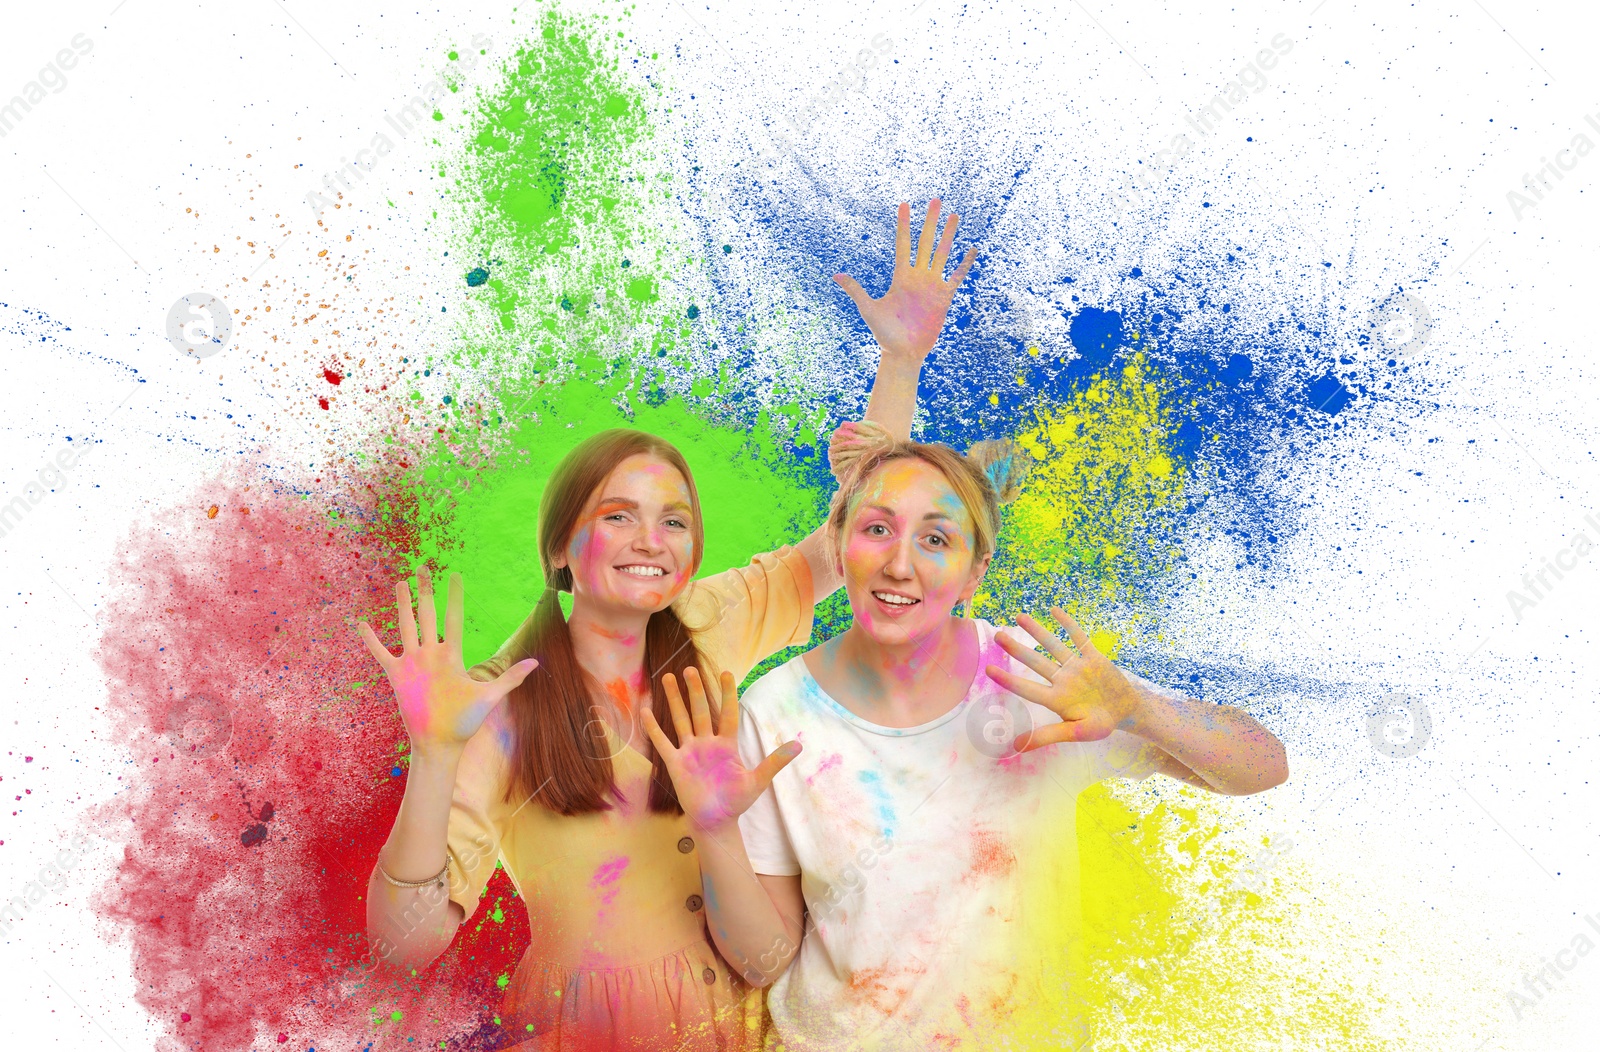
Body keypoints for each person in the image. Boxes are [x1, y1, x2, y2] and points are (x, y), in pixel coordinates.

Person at [356, 199, 978, 1050]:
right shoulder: (497, 708)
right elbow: (405, 945)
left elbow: (847, 543)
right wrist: (433, 758)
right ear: (561, 551)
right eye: (619, 516)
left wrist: (901, 360)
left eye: (675, 520)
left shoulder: (711, 621)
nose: (652, 540)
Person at [644, 423, 1291, 1050]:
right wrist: (715, 828)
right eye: (877, 529)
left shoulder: (1042, 685)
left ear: (974, 572)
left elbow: (1264, 764)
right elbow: (765, 961)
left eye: (935, 539)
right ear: (840, 547)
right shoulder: (772, 714)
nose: (900, 564)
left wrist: (1137, 707)